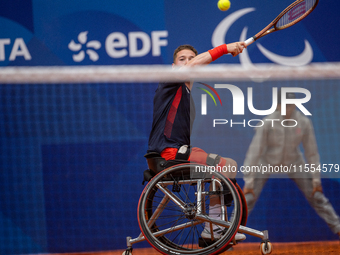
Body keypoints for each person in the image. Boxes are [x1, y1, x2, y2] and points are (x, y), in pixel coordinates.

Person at [147, 42, 247, 241]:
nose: (187, 62)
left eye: (191, 58)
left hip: (180, 150)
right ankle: (216, 227)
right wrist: (225, 48)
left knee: (231, 165)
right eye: (182, 59)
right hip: (168, 152)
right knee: (223, 166)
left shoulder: (189, 96)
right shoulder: (170, 81)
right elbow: (192, 66)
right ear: (174, 67)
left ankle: (216, 224)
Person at [242, 91, 340, 239]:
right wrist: (249, 181)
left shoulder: (304, 122)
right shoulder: (268, 122)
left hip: (294, 163)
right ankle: (230, 235)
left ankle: (338, 228)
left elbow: (311, 153)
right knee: (247, 198)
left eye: (291, 105)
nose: (288, 108)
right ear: (278, 106)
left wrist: (316, 179)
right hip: (266, 162)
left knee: (317, 196)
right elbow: (254, 151)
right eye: (285, 105)